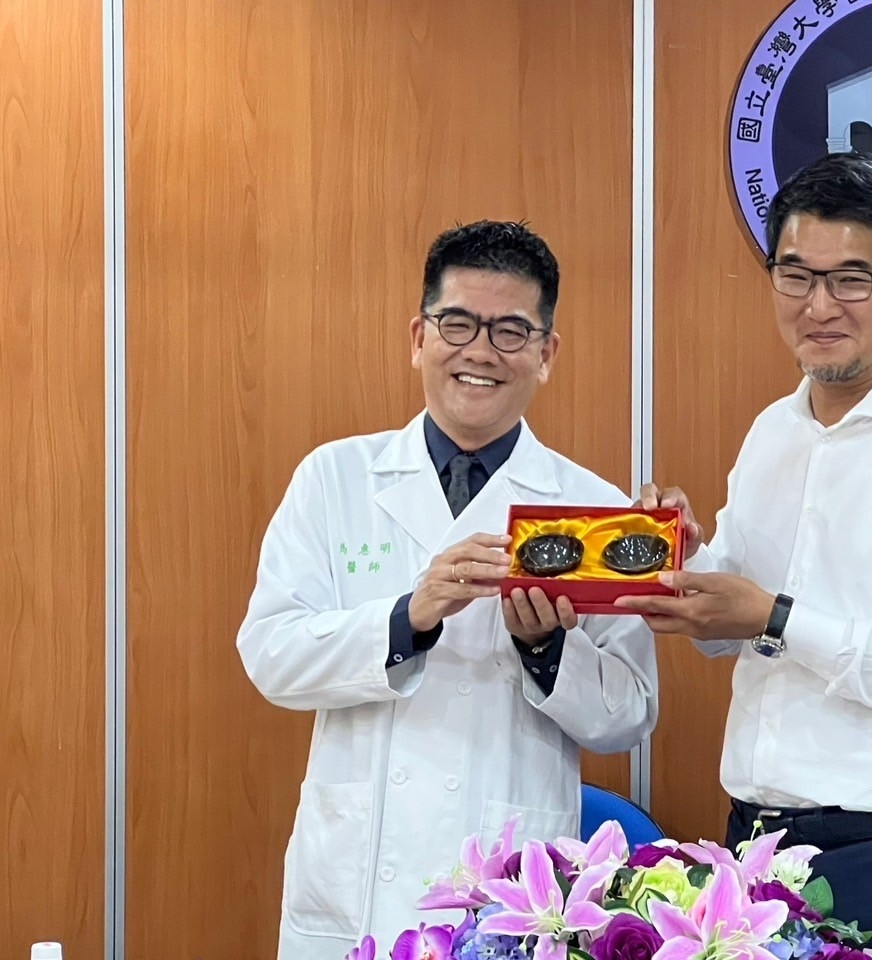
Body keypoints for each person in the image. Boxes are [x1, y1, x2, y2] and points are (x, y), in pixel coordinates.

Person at [619, 153, 872, 960]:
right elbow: (727, 632)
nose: (817, 306)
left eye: (851, 279)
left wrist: (773, 618)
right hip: (752, 850)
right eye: (795, 275)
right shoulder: (774, 431)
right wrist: (683, 563)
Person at [237, 220, 658, 960]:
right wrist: (410, 617)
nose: (480, 352)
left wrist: (546, 648)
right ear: (419, 336)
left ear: (546, 354)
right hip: (355, 882)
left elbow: (629, 715)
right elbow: (271, 655)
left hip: (507, 889)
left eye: (511, 331)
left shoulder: (593, 510)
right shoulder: (335, 478)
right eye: (457, 323)